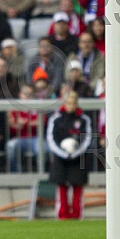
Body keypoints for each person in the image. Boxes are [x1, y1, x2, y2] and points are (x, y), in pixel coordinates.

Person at [46, 91, 93, 219]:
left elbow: (87, 139)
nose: (70, 105)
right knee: (61, 185)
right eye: (68, 103)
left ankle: (77, 214)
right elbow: (51, 139)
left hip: (79, 157)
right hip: (60, 157)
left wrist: (75, 153)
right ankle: (62, 214)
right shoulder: (56, 118)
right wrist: (63, 153)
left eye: (73, 103)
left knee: (77, 185)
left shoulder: (84, 119)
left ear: (76, 104)